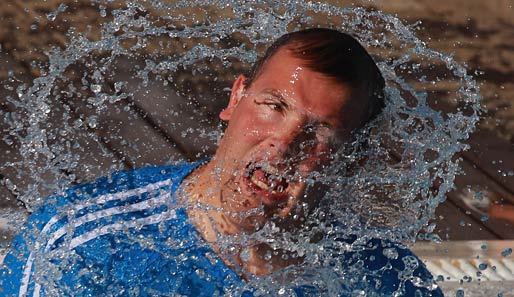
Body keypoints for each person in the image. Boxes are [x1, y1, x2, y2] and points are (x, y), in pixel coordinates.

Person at [0, 28, 443, 296]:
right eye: (272, 106)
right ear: (236, 99)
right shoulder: (82, 243)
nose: (283, 145)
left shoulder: (383, 280)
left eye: (322, 131)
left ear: (354, 158)